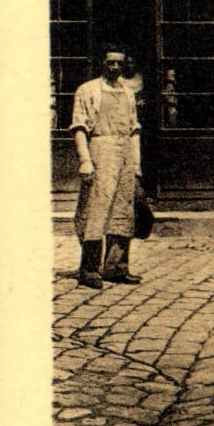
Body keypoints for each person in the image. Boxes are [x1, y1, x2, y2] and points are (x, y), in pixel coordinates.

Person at [70, 47, 144, 288]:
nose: (115, 67)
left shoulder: (127, 92)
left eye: (119, 63)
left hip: (125, 153)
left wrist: (136, 164)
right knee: (96, 208)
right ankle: (89, 269)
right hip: (100, 151)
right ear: (102, 63)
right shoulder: (87, 90)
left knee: (123, 209)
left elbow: (134, 130)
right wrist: (85, 160)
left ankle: (116, 267)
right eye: (110, 62)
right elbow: (79, 128)